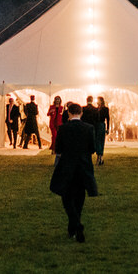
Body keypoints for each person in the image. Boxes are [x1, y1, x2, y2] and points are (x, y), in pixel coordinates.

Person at [49, 101, 98, 244]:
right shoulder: (89, 128)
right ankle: (74, 227)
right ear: (81, 113)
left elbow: (58, 149)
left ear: (69, 113)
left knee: (67, 197)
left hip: (68, 166)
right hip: (83, 166)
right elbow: (92, 148)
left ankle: (75, 225)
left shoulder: (63, 128)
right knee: (79, 197)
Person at [94, 97, 109, 164]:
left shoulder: (105, 109)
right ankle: (98, 155)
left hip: (102, 125)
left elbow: (108, 119)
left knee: (101, 140)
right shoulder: (96, 109)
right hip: (96, 125)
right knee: (97, 141)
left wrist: (108, 128)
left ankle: (101, 156)